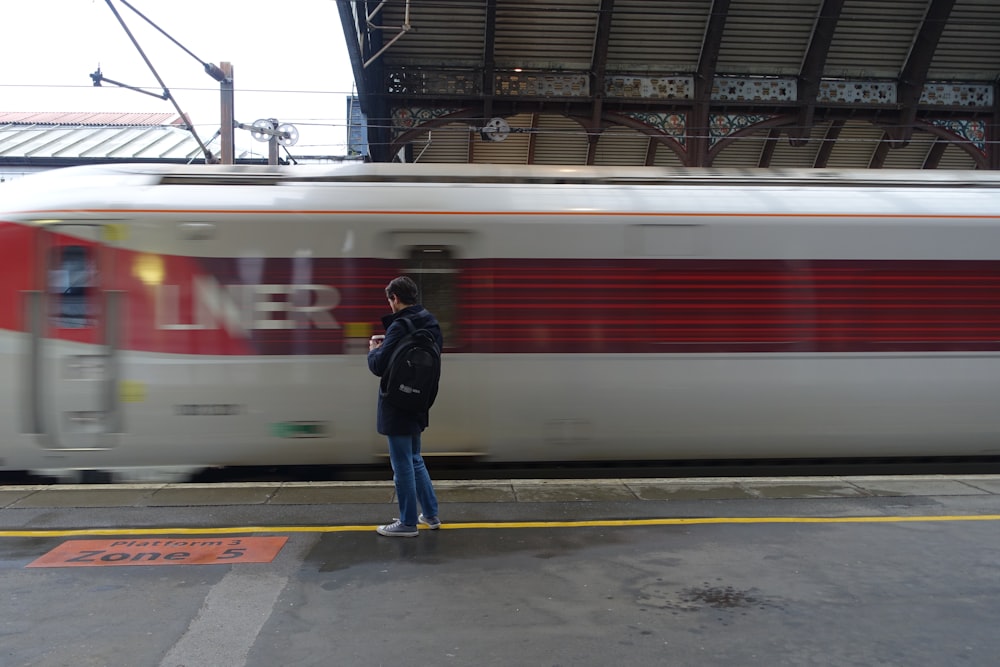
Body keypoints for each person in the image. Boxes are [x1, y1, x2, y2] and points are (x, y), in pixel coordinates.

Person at [367, 276, 443, 537]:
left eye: (389, 300)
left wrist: (373, 349)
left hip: (397, 401)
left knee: (402, 464)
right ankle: (430, 515)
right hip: (419, 399)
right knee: (415, 458)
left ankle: (407, 522)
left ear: (395, 299)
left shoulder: (400, 326)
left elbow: (378, 366)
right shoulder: (429, 321)